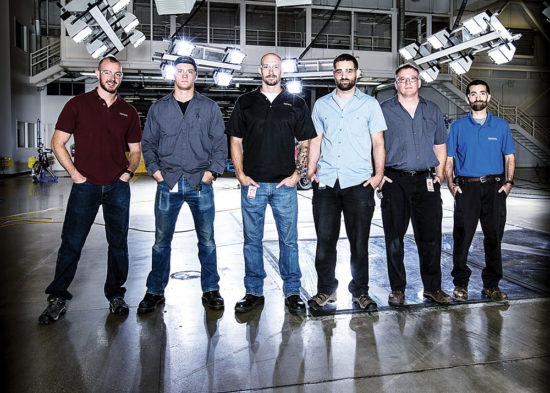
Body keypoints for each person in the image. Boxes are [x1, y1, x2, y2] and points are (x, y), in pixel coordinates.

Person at [38, 56, 142, 324]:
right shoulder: (77, 105)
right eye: (107, 73)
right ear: (97, 74)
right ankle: (57, 298)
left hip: (117, 188)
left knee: (118, 244)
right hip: (86, 186)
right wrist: (75, 175)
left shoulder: (128, 111)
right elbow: (57, 143)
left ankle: (115, 295)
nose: (112, 78)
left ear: (121, 76)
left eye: (117, 74)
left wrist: (128, 173)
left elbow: (135, 150)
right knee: (71, 243)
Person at [227, 53, 317, 315]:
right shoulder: (245, 102)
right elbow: (235, 140)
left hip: (284, 187)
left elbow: (305, 142)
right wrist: (241, 174)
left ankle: (292, 293)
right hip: (252, 184)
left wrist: (296, 175)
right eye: (266, 66)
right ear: (260, 70)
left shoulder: (296, 103)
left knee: (289, 241)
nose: (271, 71)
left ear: (281, 70)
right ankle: (254, 292)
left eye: (275, 66)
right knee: (251, 241)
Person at [139, 56, 227, 313]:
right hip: (168, 183)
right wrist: (155, 172)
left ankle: (211, 289)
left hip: (200, 183)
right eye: (180, 71)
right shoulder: (159, 108)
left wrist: (212, 172)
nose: (185, 75)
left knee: (207, 240)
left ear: (196, 76)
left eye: (190, 71)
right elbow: (148, 144)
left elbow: (220, 143)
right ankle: (155, 291)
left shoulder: (209, 107)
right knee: (161, 241)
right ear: (173, 75)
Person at [307, 53, 386, 311]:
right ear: (334, 74)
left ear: (357, 73)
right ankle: (325, 290)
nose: (344, 75)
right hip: (327, 183)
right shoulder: (321, 105)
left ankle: (360, 292)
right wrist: (310, 170)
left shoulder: (370, 104)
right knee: (325, 242)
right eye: (339, 71)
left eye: (349, 71)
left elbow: (378, 143)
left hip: (359, 184)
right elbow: (315, 140)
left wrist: (377, 175)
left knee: (359, 242)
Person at [379, 63, 452, 306]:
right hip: (395, 180)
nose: (408, 82)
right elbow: (374, 144)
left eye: (413, 78)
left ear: (419, 82)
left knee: (430, 237)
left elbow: (440, 146)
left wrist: (439, 175)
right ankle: (398, 289)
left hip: (426, 181)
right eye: (403, 79)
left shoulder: (433, 110)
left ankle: (433, 288)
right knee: (394, 238)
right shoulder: (384, 110)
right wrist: (378, 174)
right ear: (396, 84)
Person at [445, 79, 515, 302]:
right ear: (467, 99)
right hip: (467, 189)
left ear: (488, 97)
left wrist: (508, 183)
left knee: (494, 237)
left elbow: (509, 157)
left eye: (482, 93)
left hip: (495, 189)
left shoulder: (502, 126)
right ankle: (461, 284)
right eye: (473, 94)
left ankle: (491, 285)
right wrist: (451, 184)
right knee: (462, 238)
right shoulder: (457, 127)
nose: (477, 97)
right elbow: (449, 158)